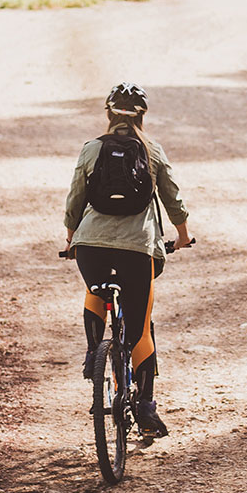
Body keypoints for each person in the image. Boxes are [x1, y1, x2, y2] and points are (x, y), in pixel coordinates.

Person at [64, 82, 193, 438]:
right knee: (140, 327)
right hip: (138, 250)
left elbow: (75, 197)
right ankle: (146, 409)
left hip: (92, 246)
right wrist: (181, 236)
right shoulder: (152, 151)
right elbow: (172, 198)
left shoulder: (91, 149)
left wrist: (72, 236)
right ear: (142, 115)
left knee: (97, 287)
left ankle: (94, 353)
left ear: (108, 114)